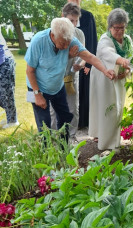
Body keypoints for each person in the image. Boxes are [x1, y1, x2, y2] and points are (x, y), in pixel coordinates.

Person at [25, 17, 114, 143]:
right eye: (63, 43)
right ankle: (45, 154)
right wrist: (37, 94)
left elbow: (90, 57)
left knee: (65, 117)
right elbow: (30, 71)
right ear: (53, 35)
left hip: (57, 86)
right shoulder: (39, 41)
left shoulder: (69, 39)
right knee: (44, 124)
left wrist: (105, 70)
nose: (67, 46)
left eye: (68, 42)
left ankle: (64, 147)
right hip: (38, 87)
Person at [88, 8, 133, 151]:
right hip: (104, 80)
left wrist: (126, 71)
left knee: (118, 107)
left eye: (122, 27)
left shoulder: (127, 40)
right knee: (106, 109)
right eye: (116, 28)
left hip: (120, 79)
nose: (120, 31)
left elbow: (132, 56)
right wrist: (122, 61)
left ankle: (114, 138)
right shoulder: (105, 39)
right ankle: (105, 141)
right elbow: (108, 54)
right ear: (110, 27)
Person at [50, 2, 86, 143]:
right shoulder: (55, 32)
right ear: (62, 17)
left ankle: (71, 135)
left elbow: (84, 55)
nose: (74, 24)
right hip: (55, 78)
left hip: (71, 78)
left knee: (73, 108)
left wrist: (81, 65)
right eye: (71, 20)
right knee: (53, 110)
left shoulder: (79, 34)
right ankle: (53, 136)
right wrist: (69, 56)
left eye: (76, 21)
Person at [67, 0, 98, 129]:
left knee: (82, 92)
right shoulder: (63, 17)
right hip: (65, 67)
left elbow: (91, 42)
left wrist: (87, 64)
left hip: (84, 63)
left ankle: (82, 121)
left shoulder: (88, 16)